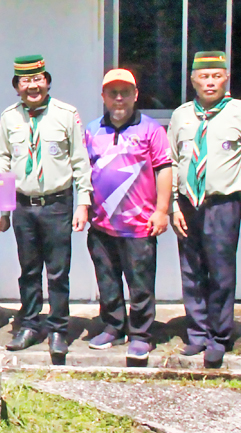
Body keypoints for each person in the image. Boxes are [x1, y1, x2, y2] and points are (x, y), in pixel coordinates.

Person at [0, 55, 93, 356]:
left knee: (58, 272)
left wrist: (83, 203)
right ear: (17, 87)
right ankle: (30, 325)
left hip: (57, 204)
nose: (32, 86)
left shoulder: (66, 114)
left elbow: (80, 162)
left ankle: (58, 329)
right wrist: (5, 208)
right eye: (26, 81)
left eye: (38, 79)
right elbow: (2, 160)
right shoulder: (9, 117)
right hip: (23, 205)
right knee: (29, 270)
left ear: (47, 82)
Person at [168, 51, 241, 368]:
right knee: (192, 270)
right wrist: (172, 205)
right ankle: (196, 333)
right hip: (187, 204)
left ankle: (219, 337)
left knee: (221, 272)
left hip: (223, 203)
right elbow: (172, 161)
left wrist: (238, 190)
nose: (210, 82)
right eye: (203, 76)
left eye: (216, 76)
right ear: (193, 80)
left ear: (226, 79)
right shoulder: (181, 115)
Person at [83, 69, 172, 360]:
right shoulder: (92, 130)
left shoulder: (151, 130)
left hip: (139, 225)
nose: (118, 98)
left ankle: (141, 334)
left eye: (124, 92)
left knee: (140, 283)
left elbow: (164, 169)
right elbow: (83, 173)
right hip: (102, 224)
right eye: (112, 93)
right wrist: (83, 206)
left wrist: (162, 210)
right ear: (103, 97)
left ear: (135, 95)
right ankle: (112, 327)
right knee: (107, 281)